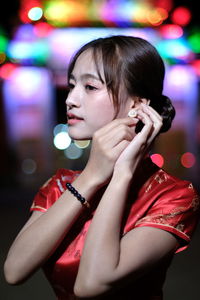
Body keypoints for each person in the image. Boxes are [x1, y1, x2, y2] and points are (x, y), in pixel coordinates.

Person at [4, 35, 200, 300]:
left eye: (90, 87)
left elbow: (91, 284)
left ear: (137, 105)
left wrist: (120, 174)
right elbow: (14, 271)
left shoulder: (172, 196)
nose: (70, 99)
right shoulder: (60, 184)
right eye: (72, 85)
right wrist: (92, 175)